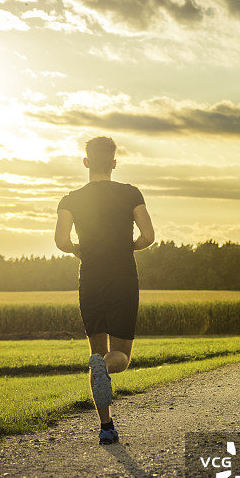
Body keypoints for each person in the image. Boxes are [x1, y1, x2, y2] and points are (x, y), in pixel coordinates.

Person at [54, 136, 155, 444]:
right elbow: (148, 236)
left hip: (91, 280)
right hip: (123, 278)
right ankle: (104, 367)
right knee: (120, 356)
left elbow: (61, 241)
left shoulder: (70, 199)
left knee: (95, 353)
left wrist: (77, 250)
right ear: (114, 163)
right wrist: (129, 247)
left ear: (86, 162)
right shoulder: (131, 193)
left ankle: (106, 426)